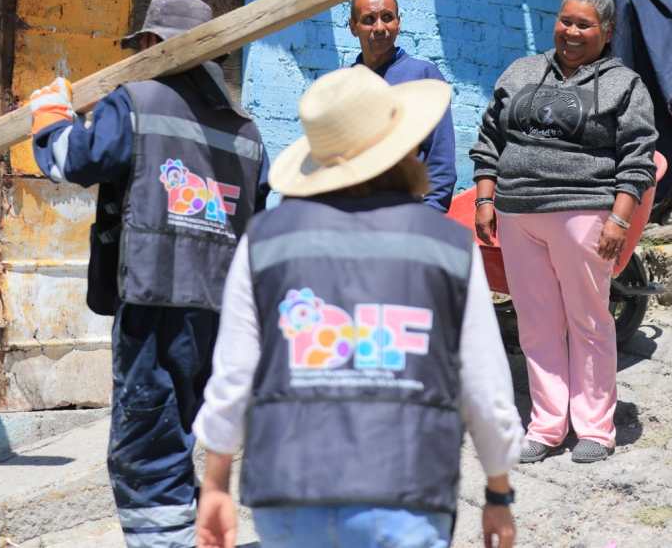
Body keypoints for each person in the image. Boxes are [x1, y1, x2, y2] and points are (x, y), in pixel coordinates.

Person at [193, 65, 524, 548]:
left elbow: (233, 374)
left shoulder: (265, 241)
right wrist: (499, 492)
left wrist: (216, 482)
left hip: (288, 497)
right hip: (406, 497)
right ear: (406, 150)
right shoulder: (449, 247)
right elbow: (487, 389)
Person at [30, 0, 269, 548]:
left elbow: (77, 161)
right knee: (187, 425)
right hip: (218, 307)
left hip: (156, 293)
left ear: (153, 45)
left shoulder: (135, 100)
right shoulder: (246, 128)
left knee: (149, 439)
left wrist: (50, 118)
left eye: (140, 44)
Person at [470, 0, 656, 464]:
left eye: (583, 24)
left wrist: (619, 218)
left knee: (589, 319)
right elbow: (490, 136)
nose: (570, 31)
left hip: (583, 212)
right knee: (535, 322)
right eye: (564, 20)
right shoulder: (523, 71)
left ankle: (595, 427)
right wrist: (485, 198)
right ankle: (547, 425)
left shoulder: (624, 84)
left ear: (606, 31)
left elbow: (637, 156)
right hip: (517, 212)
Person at [348, 0, 456, 211]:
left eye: (387, 17)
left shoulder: (424, 76)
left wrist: (429, 215)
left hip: (407, 214)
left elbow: (440, 156)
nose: (380, 27)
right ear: (353, 27)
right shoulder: (344, 84)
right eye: (369, 19)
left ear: (399, 23)